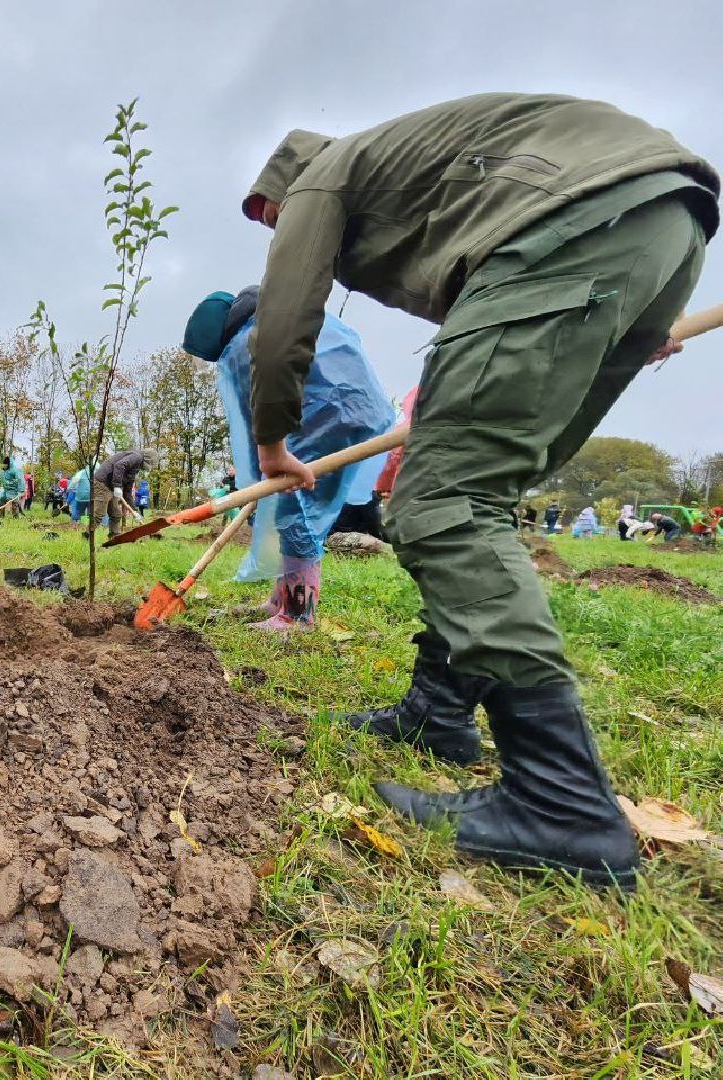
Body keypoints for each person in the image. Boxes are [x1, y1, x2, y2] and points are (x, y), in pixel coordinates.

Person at [240, 92, 717, 888]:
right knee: (478, 492)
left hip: (580, 228)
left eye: (268, 216)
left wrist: (271, 439)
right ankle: (440, 712)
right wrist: (634, 311)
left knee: (443, 500)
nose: (272, 228)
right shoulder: (425, 175)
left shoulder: (321, 173)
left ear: (282, 184)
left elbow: (287, 311)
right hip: (656, 229)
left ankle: (561, 802)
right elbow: (486, 310)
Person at [183, 285, 392, 631]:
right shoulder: (276, 316)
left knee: (297, 509)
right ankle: (282, 600)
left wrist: (265, 467)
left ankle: (297, 614)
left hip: (324, 419)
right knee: (295, 509)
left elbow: (258, 418)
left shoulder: (243, 345)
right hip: (354, 413)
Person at [87, 448, 157, 539]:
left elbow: (127, 492)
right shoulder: (137, 456)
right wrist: (117, 485)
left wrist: (135, 511)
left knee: (116, 514)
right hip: (102, 483)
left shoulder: (135, 468)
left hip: (111, 487)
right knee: (98, 514)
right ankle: (86, 536)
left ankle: (115, 537)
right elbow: (119, 465)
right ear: (148, 459)